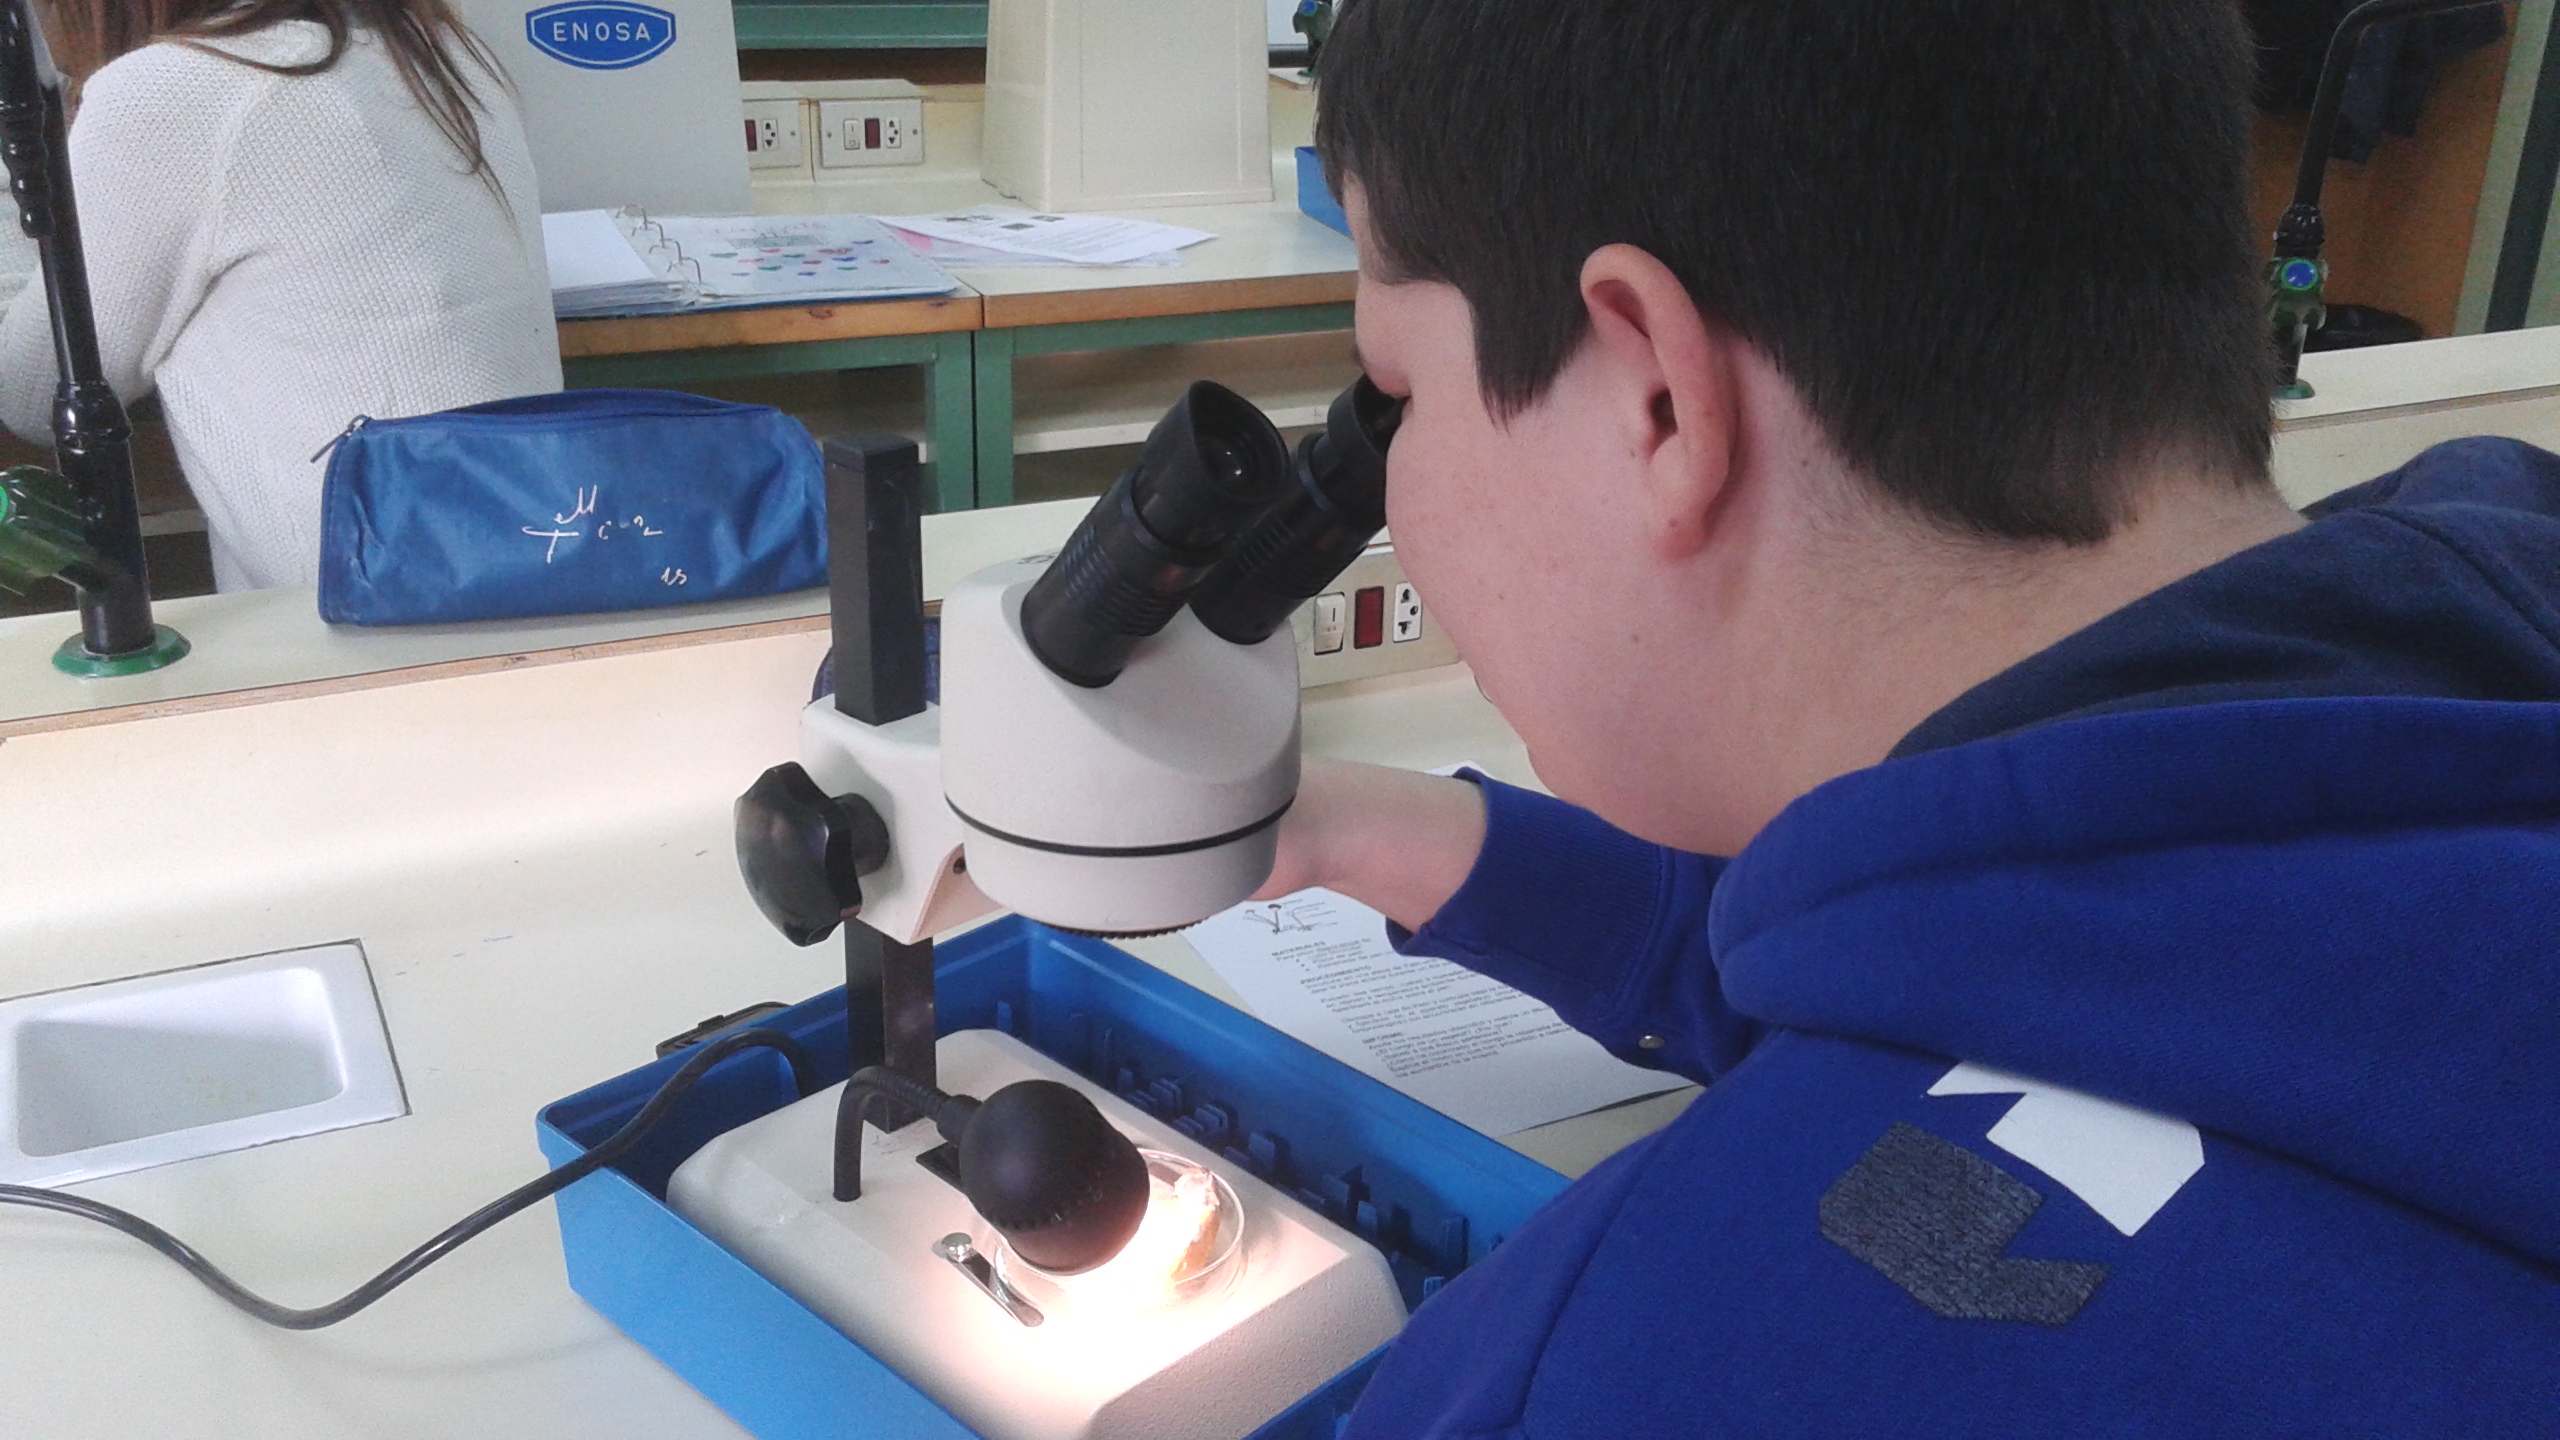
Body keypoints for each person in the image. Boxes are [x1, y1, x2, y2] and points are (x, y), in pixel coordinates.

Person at [1266, 0, 2560, 1433]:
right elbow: (2035, 975)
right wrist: (1369, 831)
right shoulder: (2427, 725)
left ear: (1659, 399)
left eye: (1398, 392)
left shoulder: (1625, 1371)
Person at [0, 0, 560, 592]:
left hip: (367, 617)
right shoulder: (446, 58)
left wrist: (14, 160)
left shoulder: (175, 90)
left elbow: (37, 392)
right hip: (541, 580)